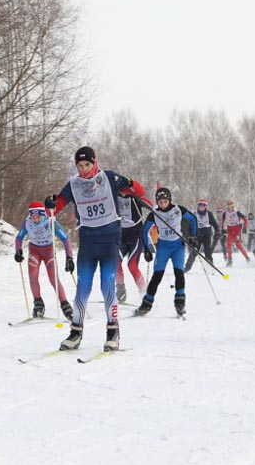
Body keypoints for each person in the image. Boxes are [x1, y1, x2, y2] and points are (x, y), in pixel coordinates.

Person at [46, 146, 146, 351]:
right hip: (88, 241)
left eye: (87, 164)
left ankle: (113, 332)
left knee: (107, 283)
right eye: (79, 165)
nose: (83, 169)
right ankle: (75, 333)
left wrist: (129, 182)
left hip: (110, 239)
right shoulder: (74, 185)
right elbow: (55, 208)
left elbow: (140, 192)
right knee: (83, 284)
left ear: (94, 162)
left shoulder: (109, 178)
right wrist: (49, 204)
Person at [135, 188, 198, 316]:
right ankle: (146, 305)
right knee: (157, 277)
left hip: (177, 246)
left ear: (169, 200)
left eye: (165, 201)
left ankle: (180, 304)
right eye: (160, 202)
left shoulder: (178, 210)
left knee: (179, 273)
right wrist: (146, 249)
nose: (163, 204)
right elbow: (144, 231)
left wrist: (193, 236)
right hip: (163, 247)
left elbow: (192, 219)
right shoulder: (154, 214)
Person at [14, 201, 74, 320]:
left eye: (38, 216)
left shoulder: (51, 222)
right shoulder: (27, 222)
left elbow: (65, 239)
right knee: (33, 276)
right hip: (34, 251)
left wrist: (69, 257)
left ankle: (65, 306)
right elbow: (19, 238)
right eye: (33, 216)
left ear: (43, 214)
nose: (35, 219)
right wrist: (18, 251)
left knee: (53, 279)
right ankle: (38, 305)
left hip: (48, 251)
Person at [116, 189, 154, 302]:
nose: (122, 192)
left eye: (124, 189)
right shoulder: (114, 196)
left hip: (136, 236)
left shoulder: (134, 198)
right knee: (115, 263)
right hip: (121, 236)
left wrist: (139, 198)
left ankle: (144, 294)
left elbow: (152, 206)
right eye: (120, 189)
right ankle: (121, 292)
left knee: (132, 266)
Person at [184, 199, 220, 272]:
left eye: (203, 205)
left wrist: (217, 231)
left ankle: (210, 267)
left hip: (207, 236)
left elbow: (214, 223)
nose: (201, 206)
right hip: (198, 236)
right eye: (200, 205)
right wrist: (190, 235)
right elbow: (190, 226)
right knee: (194, 252)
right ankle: (187, 268)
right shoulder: (194, 214)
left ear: (205, 206)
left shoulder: (209, 214)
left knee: (208, 252)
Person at [221, 200, 250, 266]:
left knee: (238, 245)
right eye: (227, 206)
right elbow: (222, 222)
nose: (229, 208)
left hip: (236, 230)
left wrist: (245, 228)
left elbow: (245, 220)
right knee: (228, 244)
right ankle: (230, 260)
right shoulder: (225, 213)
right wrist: (222, 230)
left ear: (232, 206)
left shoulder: (236, 212)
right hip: (230, 230)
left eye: (230, 206)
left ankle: (247, 258)